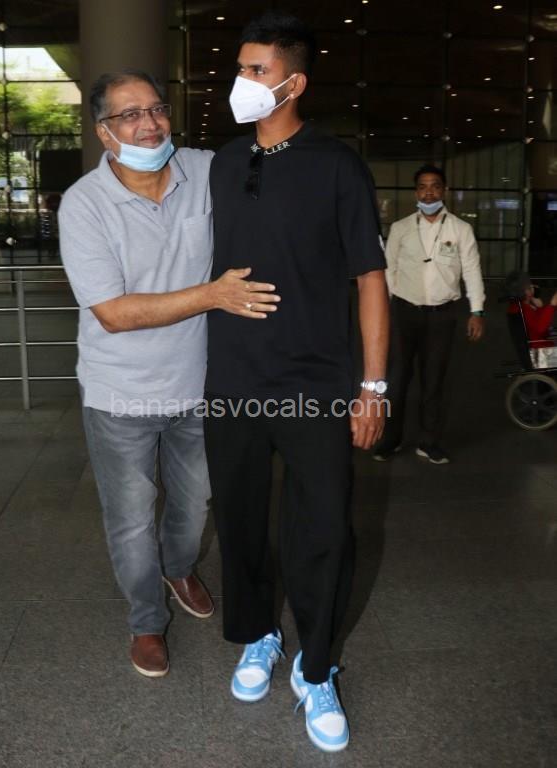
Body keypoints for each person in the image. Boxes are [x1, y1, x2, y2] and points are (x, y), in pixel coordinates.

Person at [204, 13, 389, 753]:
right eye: (240, 67)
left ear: (294, 82)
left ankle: (316, 666)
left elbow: (369, 278)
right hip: (232, 377)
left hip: (315, 379)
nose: (241, 81)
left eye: (256, 70)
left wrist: (372, 388)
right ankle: (258, 635)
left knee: (324, 528)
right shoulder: (223, 162)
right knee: (240, 518)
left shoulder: (337, 165)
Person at [58, 69, 280, 679]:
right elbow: (113, 313)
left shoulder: (202, 170)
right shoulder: (84, 205)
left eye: (156, 109)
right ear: (104, 132)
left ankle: (179, 568)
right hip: (119, 393)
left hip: (200, 384)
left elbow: (274, 169)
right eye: (129, 115)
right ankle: (146, 621)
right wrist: (213, 295)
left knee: (195, 500)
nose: (149, 124)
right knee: (132, 519)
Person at [373, 164, 486, 465]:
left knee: (433, 381)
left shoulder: (460, 229)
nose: (429, 192)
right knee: (397, 379)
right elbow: (388, 270)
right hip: (404, 313)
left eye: (435, 186)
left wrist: (476, 310)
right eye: (423, 187)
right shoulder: (401, 228)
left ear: (444, 190)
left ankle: (429, 441)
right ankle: (390, 439)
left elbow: (472, 271)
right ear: (416, 193)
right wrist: (389, 306)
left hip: (442, 316)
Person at [505, 270, 557, 368]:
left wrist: (539, 307)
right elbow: (540, 328)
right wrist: (552, 304)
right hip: (541, 355)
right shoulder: (524, 310)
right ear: (525, 292)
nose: (533, 287)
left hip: (537, 350)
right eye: (529, 287)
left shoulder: (518, 307)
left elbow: (536, 322)